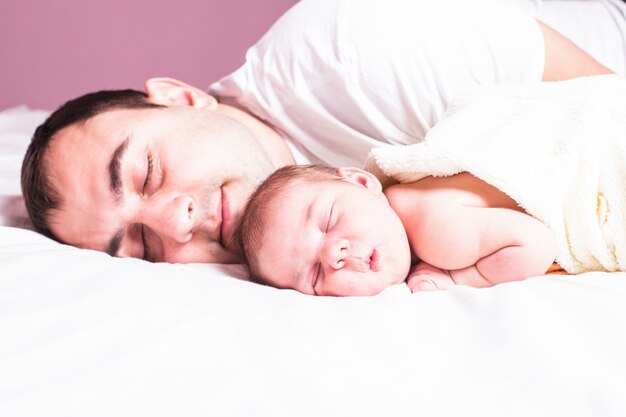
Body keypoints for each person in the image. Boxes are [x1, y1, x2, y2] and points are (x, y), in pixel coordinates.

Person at [21, 0, 626, 264]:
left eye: (146, 173)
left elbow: (606, 107)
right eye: (144, 246)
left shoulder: (357, 57)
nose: (177, 224)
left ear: (183, 99)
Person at [234, 165, 558, 296]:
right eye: (315, 275)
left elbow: (535, 245)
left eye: (329, 220)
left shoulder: (435, 229)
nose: (334, 255)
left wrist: (456, 279)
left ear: (362, 182)